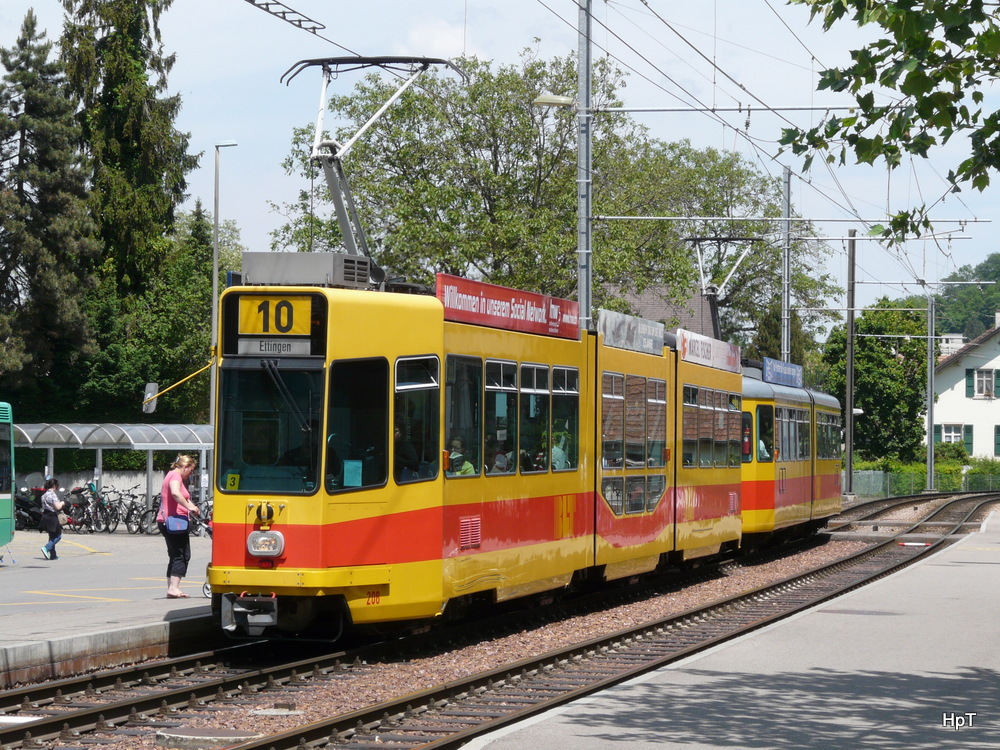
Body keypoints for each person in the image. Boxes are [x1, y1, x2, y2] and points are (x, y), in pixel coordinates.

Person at [156, 454, 201, 598]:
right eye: (191, 470)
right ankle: (174, 588)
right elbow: (175, 493)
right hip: (175, 522)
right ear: (185, 467)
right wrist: (189, 506)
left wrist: (190, 506)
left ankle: (171, 587)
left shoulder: (170, 474)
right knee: (182, 555)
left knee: (174, 555)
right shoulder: (176, 476)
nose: (191, 474)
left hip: (167, 520)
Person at [39, 478, 64, 560]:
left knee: (51, 536)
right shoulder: (52, 494)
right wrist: (63, 503)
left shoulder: (44, 495)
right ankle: (46, 548)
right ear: (54, 486)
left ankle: (53, 555)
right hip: (52, 516)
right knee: (58, 535)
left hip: (45, 516)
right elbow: (58, 507)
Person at [394, 417, 420, 481]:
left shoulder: (406, 445)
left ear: (401, 432)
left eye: (396, 431)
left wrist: (395, 458)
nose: (393, 434)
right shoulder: (392, 445)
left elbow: (415, 465)